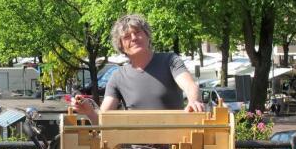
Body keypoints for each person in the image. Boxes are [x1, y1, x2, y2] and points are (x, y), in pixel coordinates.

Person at [73, 14, 204, 122]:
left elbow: (190, 86)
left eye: (137, 32)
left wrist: (193, 101)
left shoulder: (170, 60)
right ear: (121, 46)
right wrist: (89, 112)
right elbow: (103, 121)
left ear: (147, 36)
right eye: (127, 37)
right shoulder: (117, 77)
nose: (134, 38)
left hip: (176, 147)